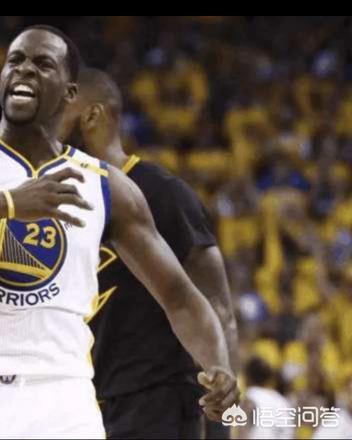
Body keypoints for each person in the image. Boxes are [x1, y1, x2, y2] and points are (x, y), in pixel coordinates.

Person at [0, 25, 237, 439]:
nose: (24, 69)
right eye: (15, 61)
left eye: (42, 63)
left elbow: (180, 297)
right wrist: (6, 203)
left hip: (59, 398)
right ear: (1, 81)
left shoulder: (106, 186)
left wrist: (217, 365)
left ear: (70, 92)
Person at [58, 66, 239, 439]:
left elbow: (218, 307)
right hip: (87, 404)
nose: (45, 127)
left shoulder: (162, 193)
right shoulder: (62, 199)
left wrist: (223, 418)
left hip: (159, 403)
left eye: (58, 111)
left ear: (92, 115)